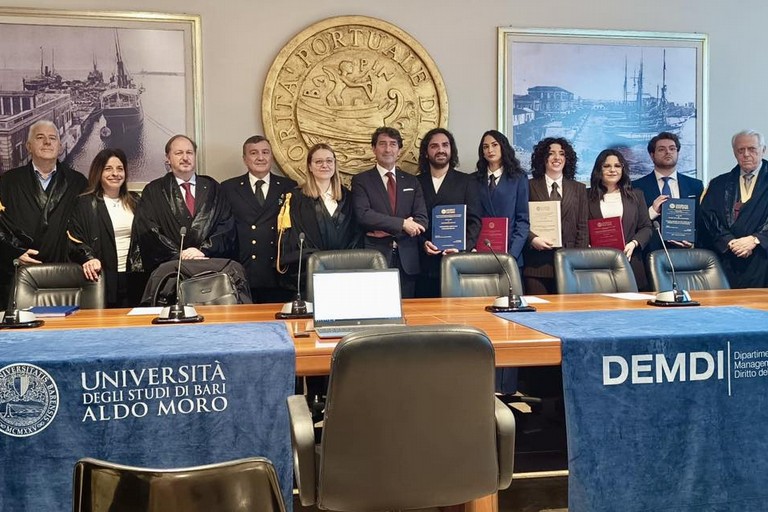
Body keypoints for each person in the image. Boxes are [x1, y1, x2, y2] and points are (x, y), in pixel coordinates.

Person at [0, 120, 87, 303]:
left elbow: (86, 227)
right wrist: (13, 252)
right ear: (28, 146)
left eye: (52, 138)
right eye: (40, 137)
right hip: (18, 274)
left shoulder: (78, 182)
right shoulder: (8, 182)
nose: (47, 142)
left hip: (65, 275)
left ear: (60, 146)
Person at [133, 134, 235, 273]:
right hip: (171, 270)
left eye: (189, 153)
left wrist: (203, 251)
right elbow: (148, 230)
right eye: (179, 153)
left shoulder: (213, 188)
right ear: (168, 158)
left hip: (208, 268)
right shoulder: (154, 190)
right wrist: (179, 255)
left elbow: (226, 226)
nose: (185, 158)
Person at [351, 126, 428, 298]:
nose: (388, 149)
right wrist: (403, 224)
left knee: (408, 312)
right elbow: (364, 215)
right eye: (382, 144)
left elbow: (422, 220)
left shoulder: (412, 181)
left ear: (399, 150)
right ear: (373, 149)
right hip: (375, 257)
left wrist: (384, 226)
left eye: (393, 144)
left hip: (407, 260)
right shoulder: (361, 180)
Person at [276, 143, 361, 293]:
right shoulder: (296, 198)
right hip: (310, 271)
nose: (325, 165)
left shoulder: (347, 196)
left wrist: (343, 261)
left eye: (329, 161)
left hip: (344, 270)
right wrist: (318, 259)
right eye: (318, 162)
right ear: (310, 166)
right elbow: (295, 236)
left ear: (335, 164)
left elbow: (355, 233)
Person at [221, 135, 297, 303]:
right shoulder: (228, 188)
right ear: (245, 159)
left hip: (278, 274)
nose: (260, 157)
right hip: (243, 273)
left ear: (272, 156)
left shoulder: (289, 187)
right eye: (254, 153)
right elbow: (224, 230)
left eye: (265, 152)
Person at [67, 149, 146, 307]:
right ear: (98, 172)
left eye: (120, 169)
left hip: (135, 277)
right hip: (102, 277)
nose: (115, 174)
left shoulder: (135, 201)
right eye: (108, 169)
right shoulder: (85, 203)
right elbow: (73, 238)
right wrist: (88, 258)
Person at [416, 128, 481, 298]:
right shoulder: (415, 182)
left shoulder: (467, 181)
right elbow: (411, 221)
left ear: (451, 150)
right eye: (434, 146)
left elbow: (475, 221)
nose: (440, 150)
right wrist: (423, 243)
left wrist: (461, 247)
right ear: (426, 152)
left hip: (456, 262)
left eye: (445, 145)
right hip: (424, 264)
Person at [700, 130, 768, 288]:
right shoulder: (719, 184)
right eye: (740, 150)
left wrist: (755, 239)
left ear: (763, 150)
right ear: (734, 153)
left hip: (763, 258)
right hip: (729, 259)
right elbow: (708, 217)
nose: (746, 154)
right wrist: (729, 241)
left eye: (752, 149)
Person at [523, 137, 589, 295]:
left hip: (569, 264)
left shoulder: (579, 189)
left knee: (568, 314)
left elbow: (583, 227)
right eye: (551, 153)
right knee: (538, 316)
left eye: (561, 154)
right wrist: (532, 239)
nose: (557, 158)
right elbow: (520, 220)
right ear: (542, 158)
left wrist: (577, 260)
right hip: (536, 265)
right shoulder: (528, 186)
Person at [587, 149, 652, 290]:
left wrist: (634, 243)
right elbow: (580, 227)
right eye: (606, 166)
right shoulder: (586, 196)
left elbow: (646, 227)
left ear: (623, 169)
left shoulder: (636, 195)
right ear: (599, 169)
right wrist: (588, 246)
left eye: (617, 166)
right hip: (597, 265)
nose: (612, 170)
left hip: (630, 262)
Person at [631, 131, 704, 254]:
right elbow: (632, 224)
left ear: (677, 153)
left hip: (686, 253)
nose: (668, 152)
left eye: (672, 149)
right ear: (652, 155)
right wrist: (652, 211)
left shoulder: (695, 185)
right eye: (661, 149)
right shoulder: (637, 187)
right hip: (650, 252)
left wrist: (693, 242)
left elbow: (702, 221)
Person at [474, 129, 530, 268]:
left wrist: (511, 254)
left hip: (510, 255)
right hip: (480, 253)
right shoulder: (472, 180)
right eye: (485, 147)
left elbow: (523, 220)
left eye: (494, 145)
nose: (490, 150)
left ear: (503, 147)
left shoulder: (519, 178)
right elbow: (470, 219)